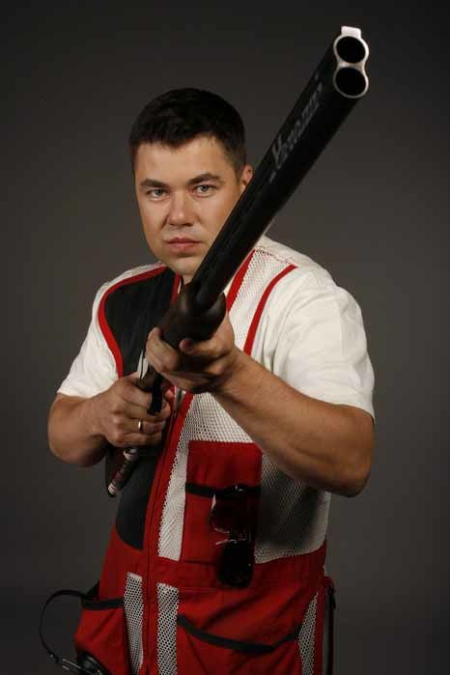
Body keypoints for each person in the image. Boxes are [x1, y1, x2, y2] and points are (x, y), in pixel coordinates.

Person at [48, 88, 375, 675]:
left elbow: (350, 462)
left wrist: (230, 373)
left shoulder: (306, 299)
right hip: (131, 626)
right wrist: (102, 414)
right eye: (156, 191)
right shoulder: (121, 298)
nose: (178, 215)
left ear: (246, 187)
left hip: (252, 642)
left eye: (202, 187)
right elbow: (64, 437)